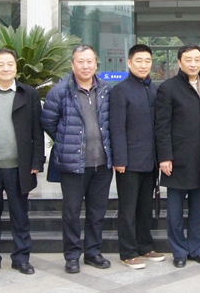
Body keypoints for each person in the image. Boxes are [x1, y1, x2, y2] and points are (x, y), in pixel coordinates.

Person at [0, 48, 45, 277]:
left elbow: (37, 130)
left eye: (10, 64)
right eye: (1, 64)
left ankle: (21, 259)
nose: (5, 68)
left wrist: (37, 161)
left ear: (16, 67)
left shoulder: (28, 94)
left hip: (19, 167)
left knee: (20, 216)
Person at [42, 44, 113, 274]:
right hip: (73, 164)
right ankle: (72, 255)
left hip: (102, 163)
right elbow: (49, 122)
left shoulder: (106, 90)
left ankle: (93, 252)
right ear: (72, 64)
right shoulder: (60, 91)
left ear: (96, 64)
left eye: (89, 61)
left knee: (97, 212)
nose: (85, 66)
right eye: (80, 61)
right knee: (72, 213)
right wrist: (67, 142)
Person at [155, 44, 200, 268]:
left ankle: (198, 249)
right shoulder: (168, 88)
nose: (193, 64)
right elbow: (162, 126)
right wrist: (165, 157)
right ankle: (179, 251)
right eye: (188, 59)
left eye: (197, 59)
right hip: (177, 159)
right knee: (175, 211)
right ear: (179, 62)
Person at [109, 44, 166, 269]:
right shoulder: (120, 90)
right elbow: (117, 127)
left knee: (145, 207)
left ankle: (145, 246)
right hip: (129, 162)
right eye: (139, 61)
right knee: (128, 209)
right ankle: (128, 252)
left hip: (150, 161)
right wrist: (119, 159)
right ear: (129, 63)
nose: (143, 65)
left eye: (147, 61)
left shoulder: (154, 90)